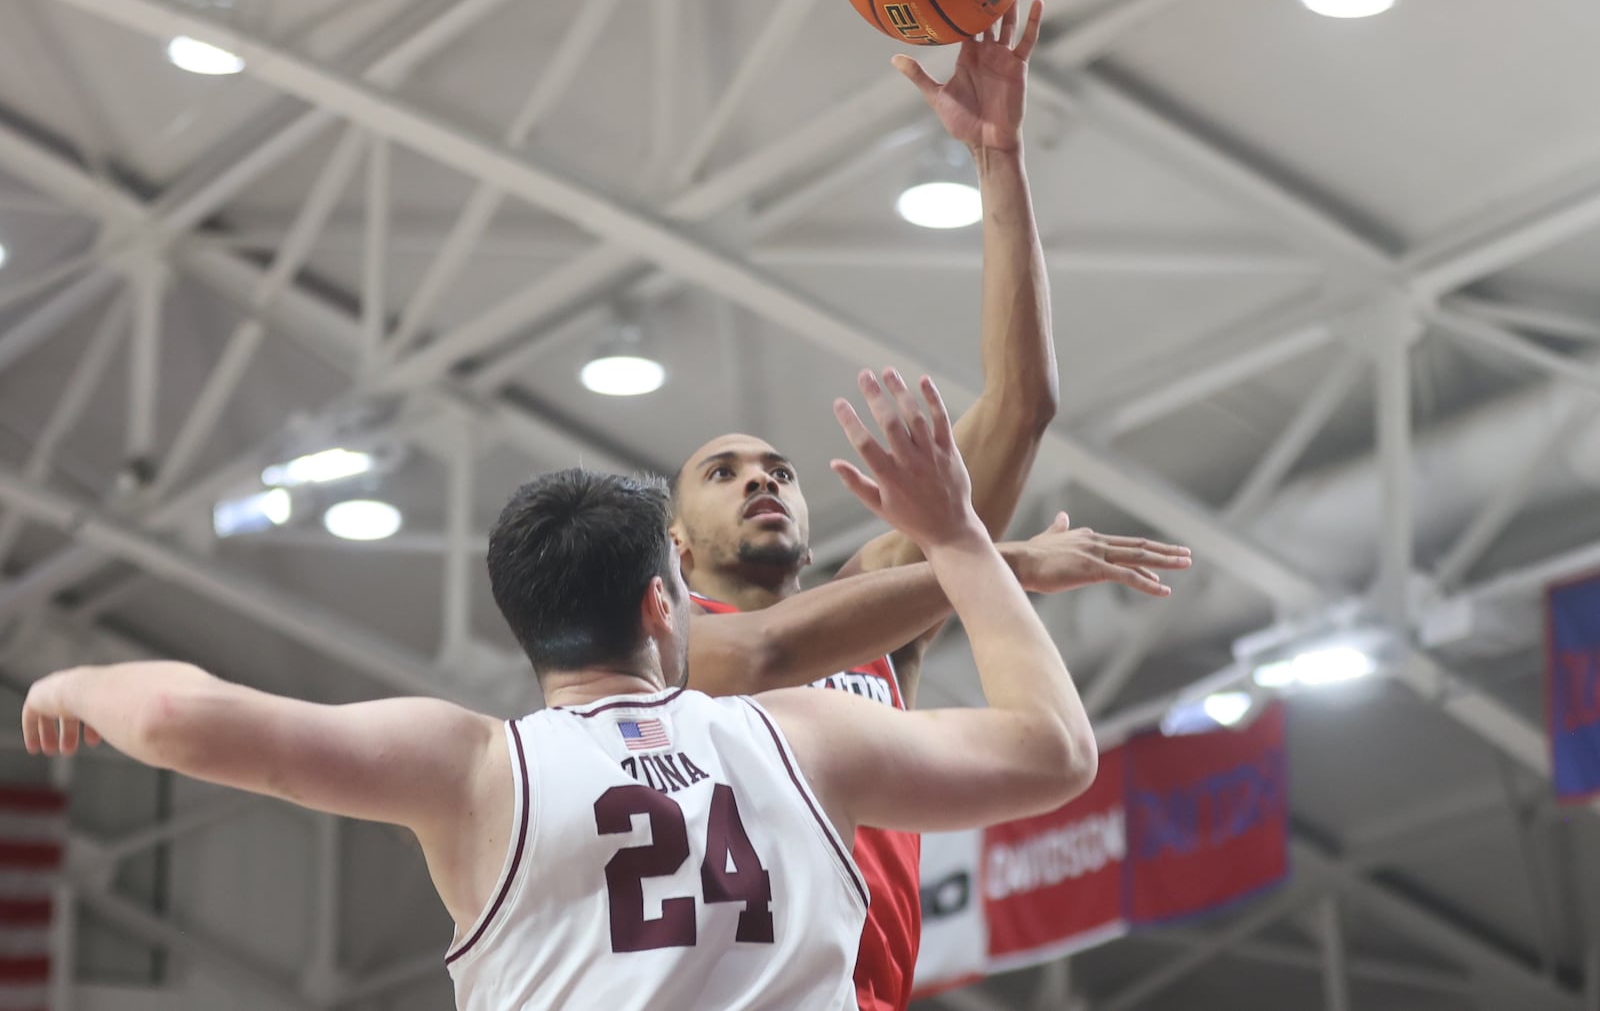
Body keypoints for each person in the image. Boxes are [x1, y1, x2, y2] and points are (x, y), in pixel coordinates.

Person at [24, 370, 1130, 1011]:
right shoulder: (804, 731)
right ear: (666, 606)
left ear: (519, 621)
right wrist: (961, 541)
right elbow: (1053, 749)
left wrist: (79, 674)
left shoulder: (470, 768)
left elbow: (173, 716)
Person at [670, 0, 1117, 1011]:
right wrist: (997, 567)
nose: (763, 479)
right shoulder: (670, 649)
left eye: (779, 468)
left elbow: (1021, 407)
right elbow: (770, 652)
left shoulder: (877, 610)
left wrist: (998, 160)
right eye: (725, 470)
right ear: (674, 541)